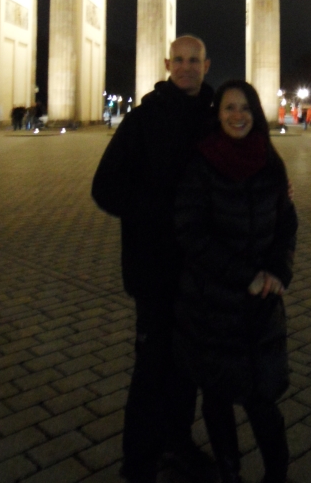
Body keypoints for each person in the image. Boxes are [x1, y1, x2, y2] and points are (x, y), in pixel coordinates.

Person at [91, 35, 216, 483]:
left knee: (186, 368)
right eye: (178, 60)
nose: (186, 67)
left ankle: (177, 444)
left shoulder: (215, 119)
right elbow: (104, 187)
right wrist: (158, 212)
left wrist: (278, 188)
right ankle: (138, 462)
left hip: (199, 270)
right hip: (154, 268)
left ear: (206, 65)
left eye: (193, 60)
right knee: (150, 369)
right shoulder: (142, 119)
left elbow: (246, 164)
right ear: (167, 64)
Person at [174, 80, 298, 483]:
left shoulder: (271, 161)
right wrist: (246, 275)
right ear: (218, 114)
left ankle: (276, 475)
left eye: (245, 107)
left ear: (255, 112)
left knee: (262, 399)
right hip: (213, 304)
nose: (237, 115)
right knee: (217, 396)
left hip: (260, 306)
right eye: (229, 107)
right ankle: (229, 472)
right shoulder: (201, 163)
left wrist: (278, 270)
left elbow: (287, 223)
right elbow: (191, 232)